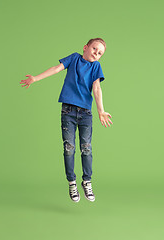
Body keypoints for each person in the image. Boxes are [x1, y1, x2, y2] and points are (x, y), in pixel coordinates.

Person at [20, 38, 112, 202]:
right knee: (69, 148)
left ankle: (87, 181)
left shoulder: (96, 66)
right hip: (68, 111)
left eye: (100, 53)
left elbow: (97, 88)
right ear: (85, 47)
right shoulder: (74, 58)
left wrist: (101, 111)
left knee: (86, 148)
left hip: (85, 113)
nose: (96, 54)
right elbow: (56, 69)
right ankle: (72, 182)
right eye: (94, 49)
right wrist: (35, 78)